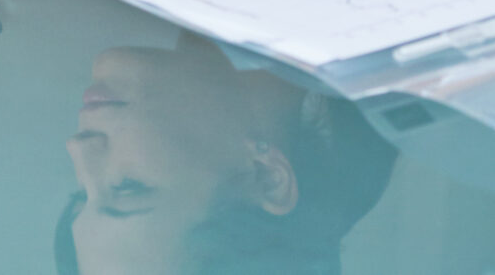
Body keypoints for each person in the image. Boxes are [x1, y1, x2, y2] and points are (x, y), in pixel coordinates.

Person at [58, 33, 395, 275]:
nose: (79, 149)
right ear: (265, 176)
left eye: (82, 193)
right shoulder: (390, 39)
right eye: (128, 186)